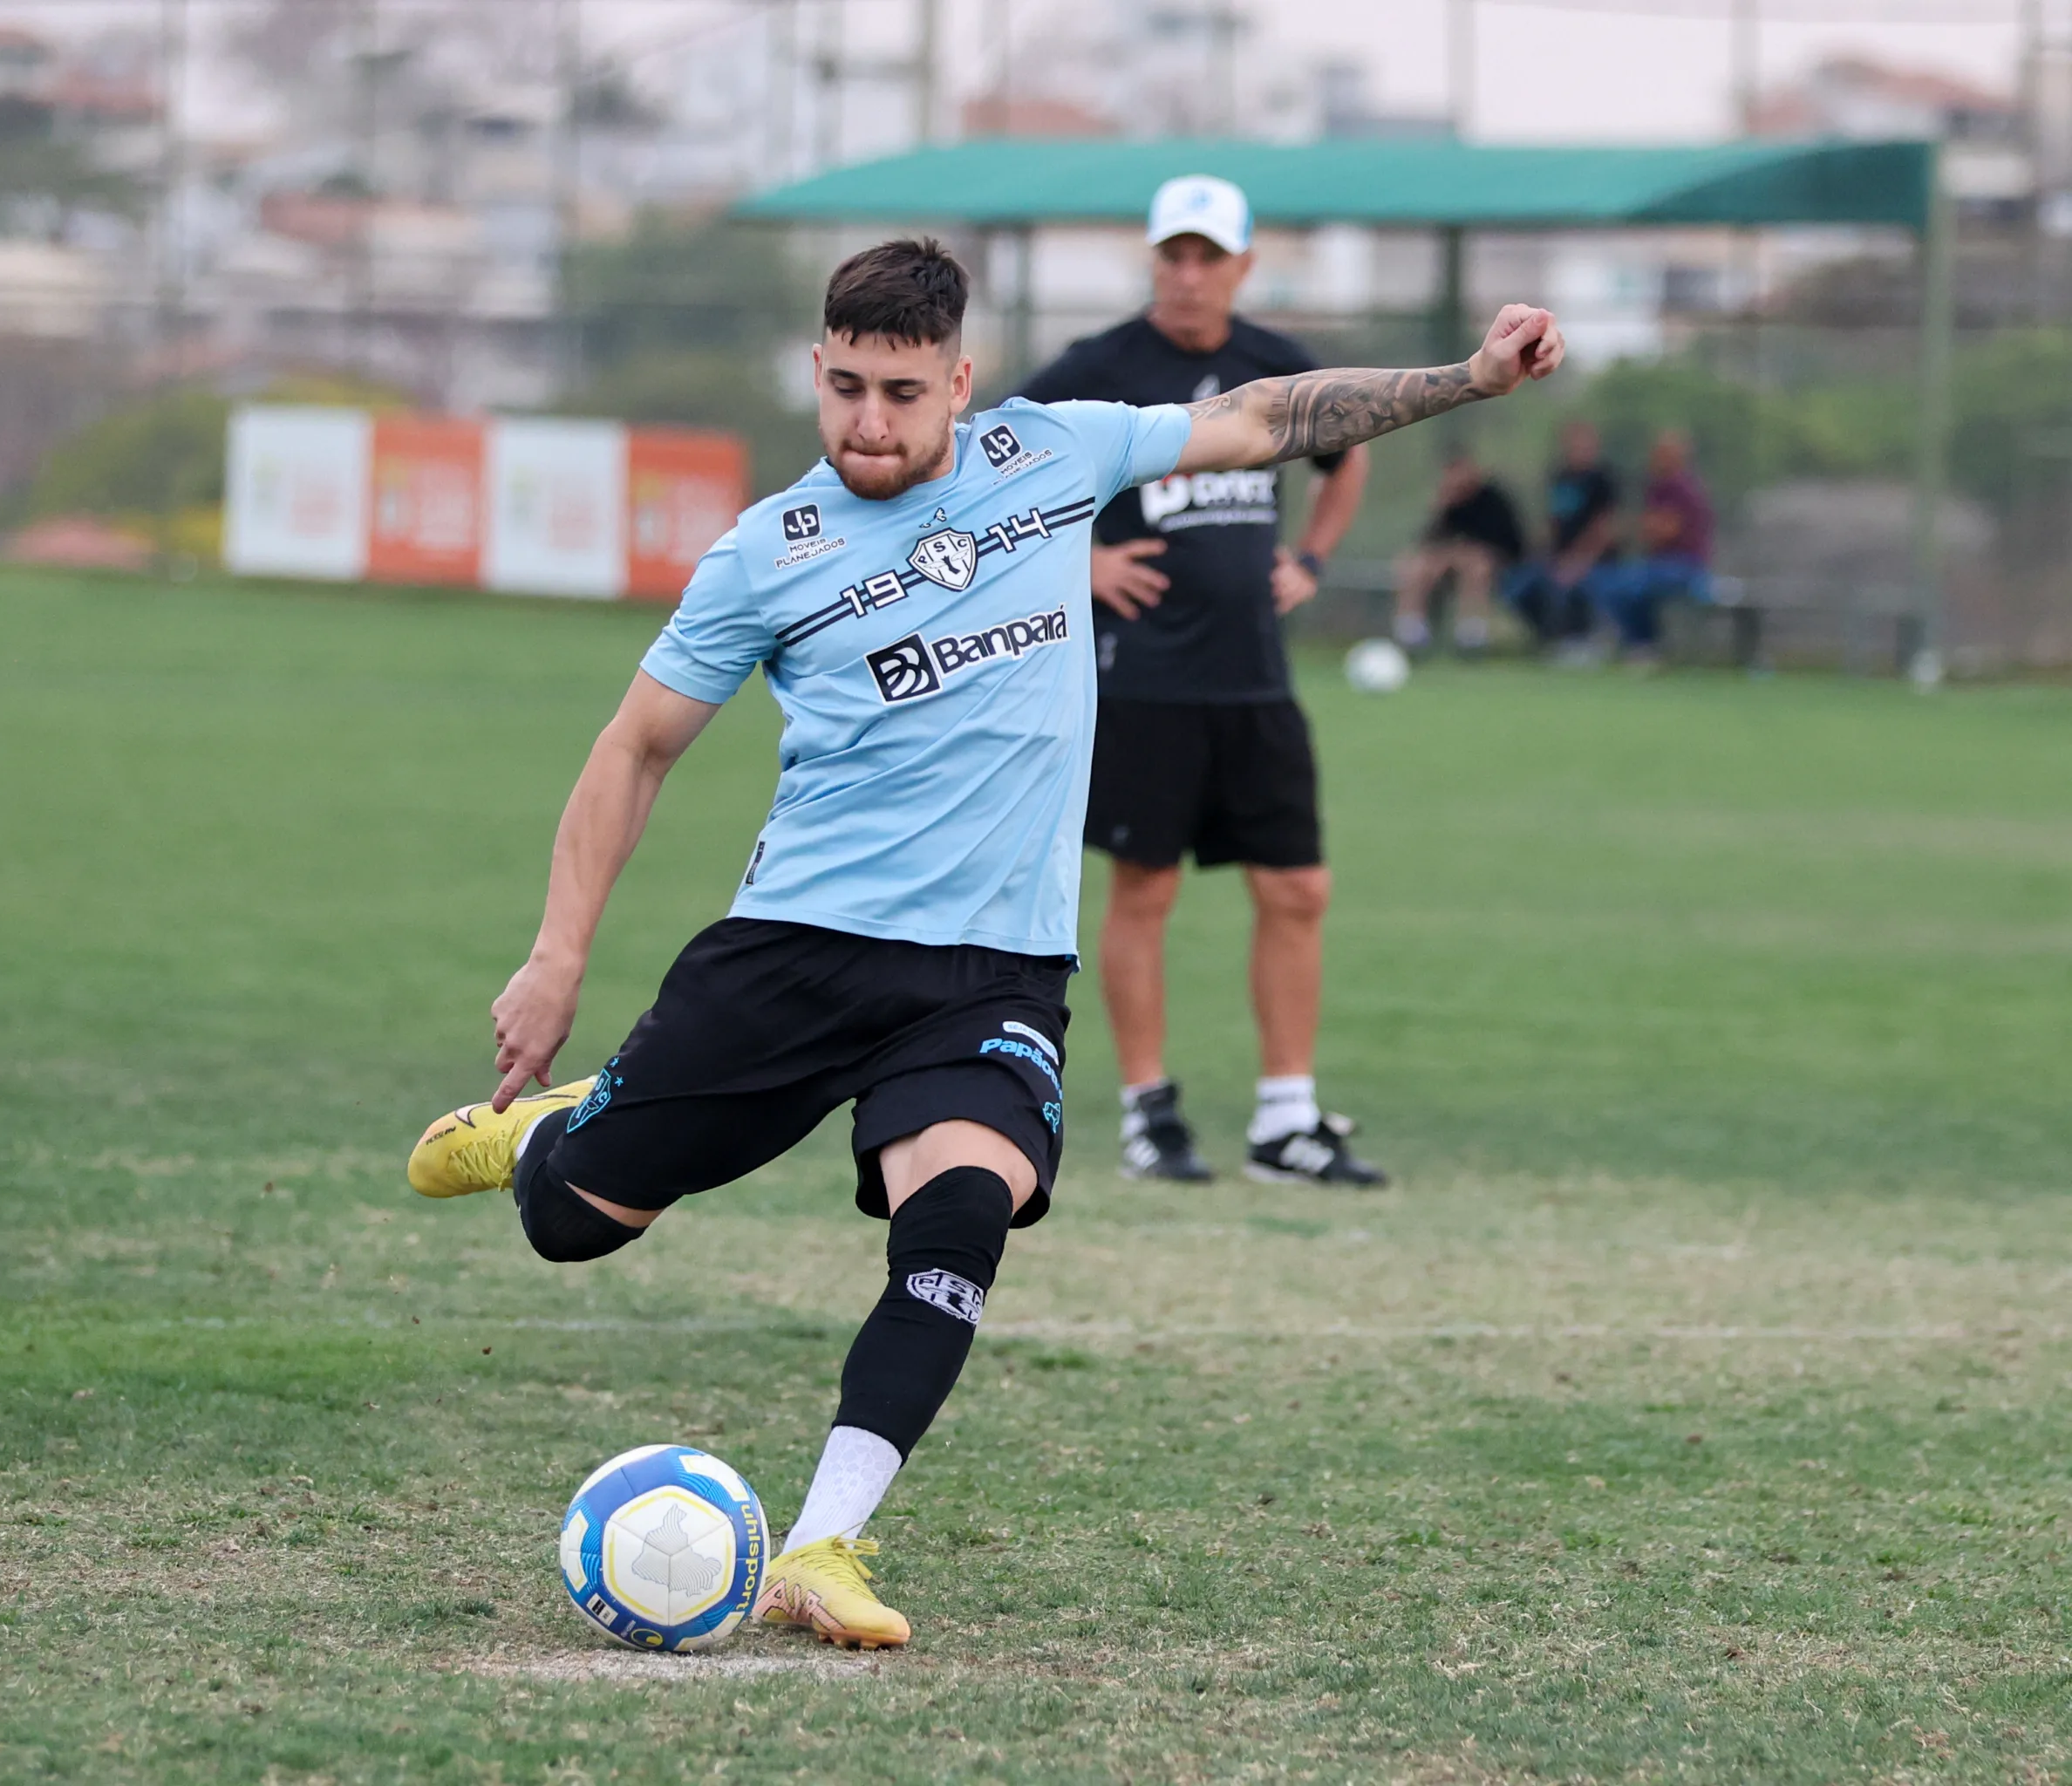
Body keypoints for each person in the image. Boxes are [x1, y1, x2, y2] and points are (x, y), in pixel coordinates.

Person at [404, 237, 1564, 1650]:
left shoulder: (1054, 451)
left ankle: (825, 1540)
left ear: (959, 380)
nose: (868, 423)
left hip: (993, 972)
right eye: (843, 388)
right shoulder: (768, 549)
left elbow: (1267, 416)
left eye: (900, 391)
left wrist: (1470, 378)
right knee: (575, 1225)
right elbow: (636, 746)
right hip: (795, 948)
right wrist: (555, 953)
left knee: (959, 1212)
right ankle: (542, 1137)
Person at [1015, 174, 1381, 1188]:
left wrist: (1309, 558)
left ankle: (1285, 1120)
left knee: (1298, 886)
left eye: (1206, 257)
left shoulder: (1273, 366)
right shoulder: (1100, 367)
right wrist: (1079, 563)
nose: (1187, 274)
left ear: (1242, 267)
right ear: (1151, 262)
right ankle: (1148, 1112)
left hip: (1254, 680)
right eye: (1171, 255)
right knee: (1147, 888)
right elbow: (1000, 466)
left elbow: (1346, 451)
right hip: (1145, 680)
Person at [1592, 429, 1714, 660]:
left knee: (1628, 585)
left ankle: (1646, 644)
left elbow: (1666, 529)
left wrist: (1627, 528)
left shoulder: (1681, 487)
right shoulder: (1657, 487)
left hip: (1685, 566)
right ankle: (1639, 643)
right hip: (1658, 564)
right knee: (1609, 584)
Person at [1393, 448, 1527, 656]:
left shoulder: (1492, 499)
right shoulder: (1449, 503)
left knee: (1474, 565)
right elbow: (1430, 541)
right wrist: (1441, 507)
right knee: (1414, 567)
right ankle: (1411, 634)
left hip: (1491, 567)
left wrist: (1459, 553)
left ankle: (1471, 636)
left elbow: (1506, 544)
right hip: (1447, 565)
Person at [1505, 419, 1620, 652]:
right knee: (1519, 587)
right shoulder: (1560, 476)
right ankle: (1548, 639)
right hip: (1557, 558)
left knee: (1572, 588)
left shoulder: (1603, 479)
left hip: (1594, 561)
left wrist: (1579, 561)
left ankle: (1582, 642)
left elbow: (1605, 528)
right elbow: (1553, 521)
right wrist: (1541, 554)